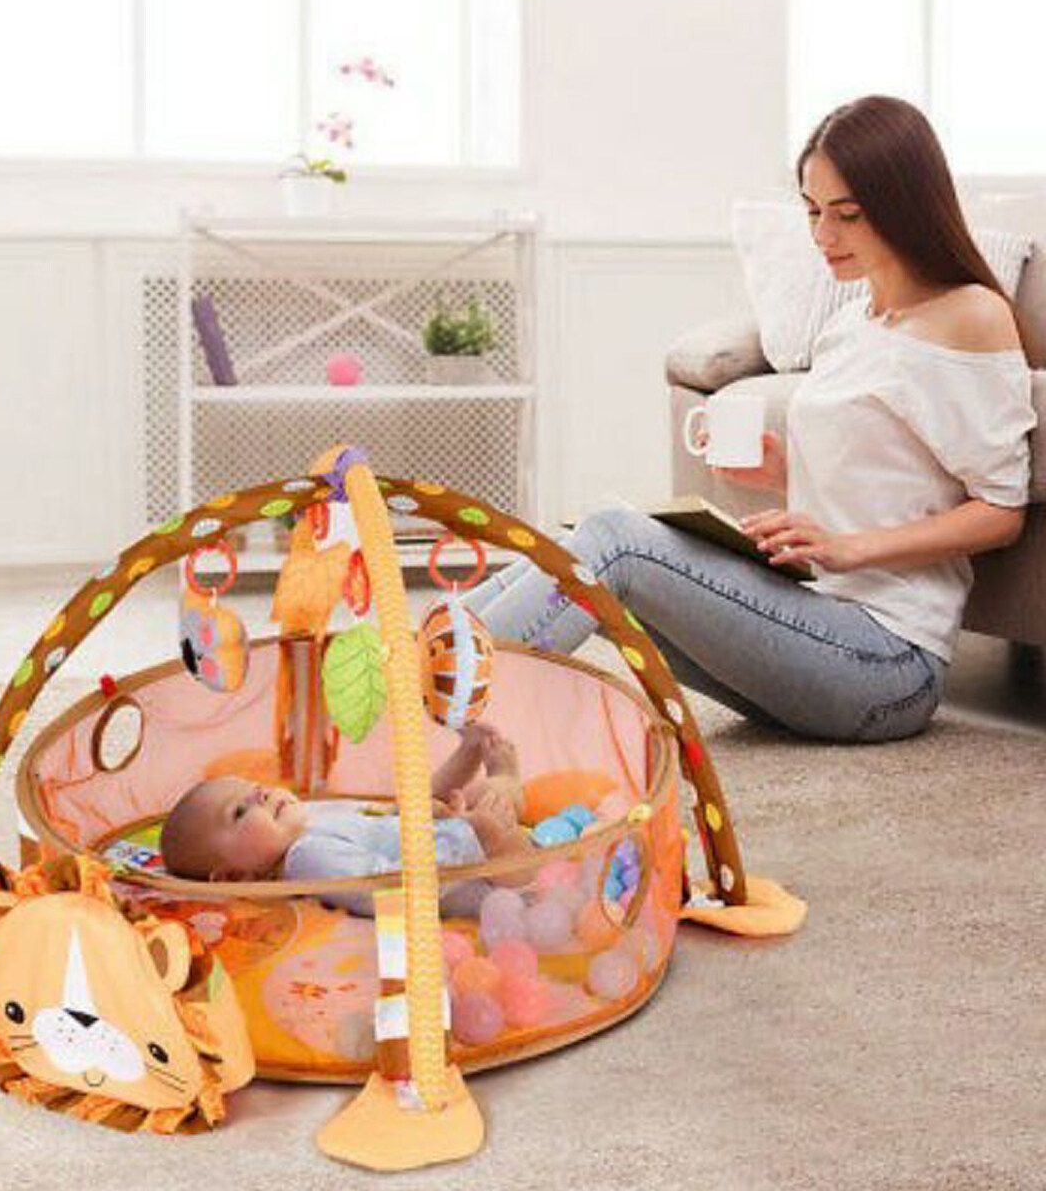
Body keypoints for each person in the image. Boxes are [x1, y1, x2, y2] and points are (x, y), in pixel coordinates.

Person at [463, 96, 1036, 743]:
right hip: (816, 617)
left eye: (847, 214)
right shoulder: (849, 325)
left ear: (905, 203)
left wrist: (852, 548)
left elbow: (1002, 511)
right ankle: (414, 664)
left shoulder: (970, 315)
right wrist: (783, 473)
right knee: (595, 532)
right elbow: (882, 477)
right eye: (813, 211)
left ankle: (440, 712)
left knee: (616, 540)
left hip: (889, 664)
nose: (823, 236)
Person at [159, 723, 532, 914]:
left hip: (443, 845)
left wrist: (449, 802)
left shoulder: (304, 819)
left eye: (254, 787)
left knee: (434, 802)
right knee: (493, 801)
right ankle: (507, 782)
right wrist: (472, 835)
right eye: (239, 811)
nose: (260, 794)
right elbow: (393, 889)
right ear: (235, 877)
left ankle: (475, 759)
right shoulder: (306, 859)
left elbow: (396, 812)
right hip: (483, 885)